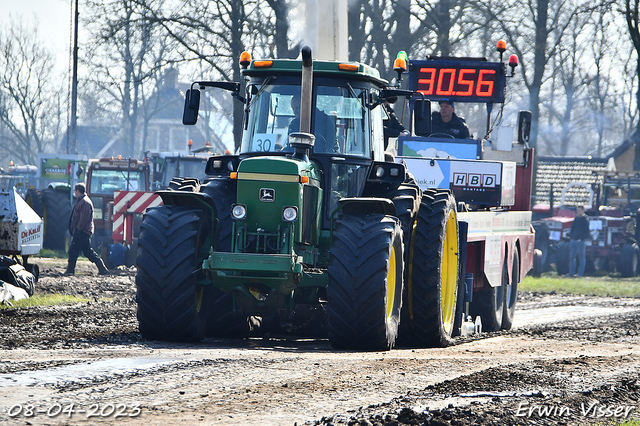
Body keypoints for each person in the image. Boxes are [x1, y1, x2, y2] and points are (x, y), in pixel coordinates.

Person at [65, 183, 110, 276]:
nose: (74, 193)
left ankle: (70, 270)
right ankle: (102, 269)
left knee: (74, 250)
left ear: (78, 191)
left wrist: (78, 230)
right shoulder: (82, 201)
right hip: (82, 231)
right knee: (87, 252)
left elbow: (83, 218)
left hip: (82, 232)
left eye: (75, 190)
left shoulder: (85, 202)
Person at [569, 205, 590, 277]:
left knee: (581, 257)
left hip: (581, 241)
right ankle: (571, 273)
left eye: (579, 210)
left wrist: (581, 239)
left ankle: (580, 273)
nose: (578, 212)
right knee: (572, 257)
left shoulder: (585, 220)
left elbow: (587, 232)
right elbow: (573, 228)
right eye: (577, 210)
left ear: (583, 211)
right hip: (574, 240)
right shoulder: (576, 219)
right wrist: (572, 237)